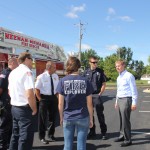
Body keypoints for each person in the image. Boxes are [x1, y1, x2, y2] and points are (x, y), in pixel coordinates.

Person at [56, 56, 93, 150]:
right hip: (83, 116)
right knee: (81, 145)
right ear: (79, 66)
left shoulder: (63, 81)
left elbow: (60, 103)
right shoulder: (85, 81)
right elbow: (89, 103)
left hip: (68, 117)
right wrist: (91, 118)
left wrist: (61, 117)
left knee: (67, 145)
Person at [8, 52, 37, 150]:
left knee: (15, 135)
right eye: (31, 59)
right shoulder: (27, 72)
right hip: (24, 109)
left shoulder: (13, 72)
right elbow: (29, 94)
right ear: (27, 59)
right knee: (25, 138)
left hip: (14, 107)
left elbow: (9, 91)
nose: (32, 62)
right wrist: (34, 109)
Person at [82, 56, 107, 140]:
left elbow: (104, 84)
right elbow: (83, 84)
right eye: (93, 62)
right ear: (89, 62)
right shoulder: (85, 72)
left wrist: (100, 93)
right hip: (88, 96)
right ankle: (92, 132)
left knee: (100, 114)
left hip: (96, 95)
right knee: (90, 115)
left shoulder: (100, 71)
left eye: (96, 62)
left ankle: (103, 132)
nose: (95, 64)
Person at [114, 59, 138, 147]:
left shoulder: (129, 76)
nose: (117, 67)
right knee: (121, 119)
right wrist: (116, 101)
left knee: (125, 121)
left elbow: (134, 90)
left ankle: (128, 140)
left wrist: (134, 102)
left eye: (119, 66)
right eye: (116, 66)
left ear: (123, 65)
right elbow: (118, 90)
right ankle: (122, 135)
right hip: (120, 100)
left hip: (127, 99)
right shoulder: (118, 77)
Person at [35, 61, 59, 144]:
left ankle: (50, 135)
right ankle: (42, 137)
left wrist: (56, 96)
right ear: (49, 67)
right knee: (42, 118)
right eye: (54, 67)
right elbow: (37, 89)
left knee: (52, 118)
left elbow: (57, 87)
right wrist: (40, 100)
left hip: (53, 98)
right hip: (44, 98)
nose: (56, 68)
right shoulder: (41, 77)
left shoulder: (56, 76)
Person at [0, 58, 18, 150]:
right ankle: (2, 145)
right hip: (5, 103)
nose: (18, 65)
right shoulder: (5, 73)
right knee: (4, 124)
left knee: (10, 125)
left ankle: (8, 144)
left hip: (10, 102)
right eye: (17, 63)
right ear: (12, 63)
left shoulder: (12, 73)